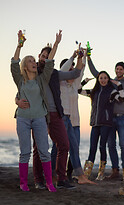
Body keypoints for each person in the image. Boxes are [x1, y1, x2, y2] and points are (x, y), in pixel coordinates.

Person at [16, 32, 82, 190]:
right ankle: (39, 180)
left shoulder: (53, 73)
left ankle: (61, 178)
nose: (45, 58)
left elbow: (75, 73)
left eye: (48, 56)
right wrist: (17, 101)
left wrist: (80, 57)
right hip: (39, 113)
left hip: (55, 114)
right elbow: (20, 91)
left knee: (64, 145)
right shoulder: (32, 73)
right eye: (43, 55)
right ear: (39, 56)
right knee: (38, 149)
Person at [11, 30, 59, 192]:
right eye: (30, 61)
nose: (34, 62)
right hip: (23, 119)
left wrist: (57, 43)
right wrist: (19, 45)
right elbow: (14, 63)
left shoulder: (41, 79)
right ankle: (23, 183)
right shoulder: (20, 79)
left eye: (34, 60)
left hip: (39, 119)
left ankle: (49, 183)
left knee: (44, 152)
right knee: (25, 152)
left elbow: (50, 62)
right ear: (25, 66)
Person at [87, 51, 124, 180]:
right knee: (110, 145)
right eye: (117, 69)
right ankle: (115, 171)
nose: (118, 71)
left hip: (123, 117)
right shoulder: (110, 82)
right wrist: (89, 58)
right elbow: (96, 73)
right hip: (109, 119)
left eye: (121, 69)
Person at [56, 49, 95, 184]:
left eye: (73, 69)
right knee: (59, 148)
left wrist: (83, 57)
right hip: (62, 120)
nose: (72, 71)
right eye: (70, 69)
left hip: (75, 122)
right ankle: (54, 173)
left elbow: (81, 70)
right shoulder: (60, 84)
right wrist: (72, 57)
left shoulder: (75, 85)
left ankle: (71, 174)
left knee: (74, 148)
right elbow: (63, 69)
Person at [80, 71, 124, 180]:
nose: (103, 80)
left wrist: (119, 85)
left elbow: (121, 99)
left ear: (108, 79)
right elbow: (79, 90)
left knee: (102, 147)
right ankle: (87, 173)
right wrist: (84, 81)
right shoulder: (94, 91)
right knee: (92, 148)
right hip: (95, 123)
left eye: (105, 78)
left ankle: (101, 173)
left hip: (106, 123)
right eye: (101, 78)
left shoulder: (112, 91)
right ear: (98, 79)